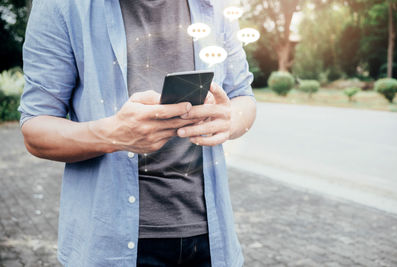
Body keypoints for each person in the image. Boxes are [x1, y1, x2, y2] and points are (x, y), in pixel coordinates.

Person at [19, 0, 256, 266]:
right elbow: (35, 130)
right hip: (110, 245)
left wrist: (228, 120)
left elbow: (243, 98)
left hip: (211, 241)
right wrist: (113, 135)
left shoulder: (216, 6)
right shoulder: (61, 5)